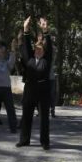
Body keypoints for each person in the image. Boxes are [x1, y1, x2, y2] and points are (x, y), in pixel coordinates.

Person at [17, 16, 53, 150]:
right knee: (26, 115)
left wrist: (45, 30)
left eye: (40, 50)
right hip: (30, 88)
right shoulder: (29, 59)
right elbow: (26, 45)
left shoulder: (46, 60)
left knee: (44, 117)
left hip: (43, 89)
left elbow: (49, 46)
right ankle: (24, 140)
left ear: (44, 52)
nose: (38, 51)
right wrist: (25, 29)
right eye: (36, 49)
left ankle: (45, 142)